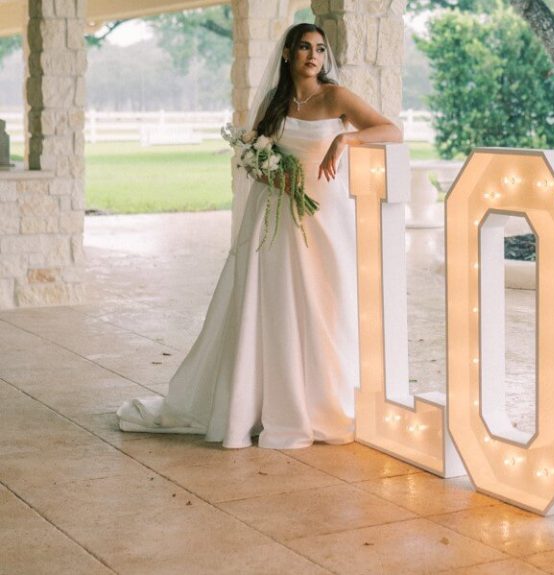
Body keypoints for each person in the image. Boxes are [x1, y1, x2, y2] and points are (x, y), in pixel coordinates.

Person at [116, 23, 402, 448]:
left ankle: (323, 402)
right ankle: (263, 400)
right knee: (271, 304)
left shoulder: (336, 97)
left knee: (325, 303)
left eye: (320, 49)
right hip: (273, 214)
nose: (313, 56)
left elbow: (392, 130)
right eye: (304, 47)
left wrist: (346, 139)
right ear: (287, 53)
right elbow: (254, 157)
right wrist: (268, 172)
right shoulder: (274, 101)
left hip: (324, 216)